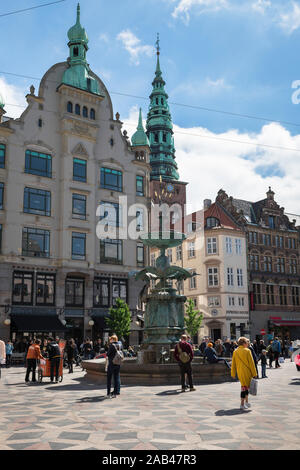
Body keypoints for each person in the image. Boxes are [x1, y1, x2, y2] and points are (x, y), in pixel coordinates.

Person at [231, 336, 258, 411]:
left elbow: (233, 364)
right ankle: (243, 403)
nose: (247, 344)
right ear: (243, 343)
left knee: (244, 387)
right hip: (247, 372)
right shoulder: (247, 351)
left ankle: (245, 402)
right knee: (245, 388)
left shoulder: (235, 351)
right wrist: (254, 373)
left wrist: (233, 374)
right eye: (246, 342)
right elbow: (251, 363)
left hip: (240, 372)